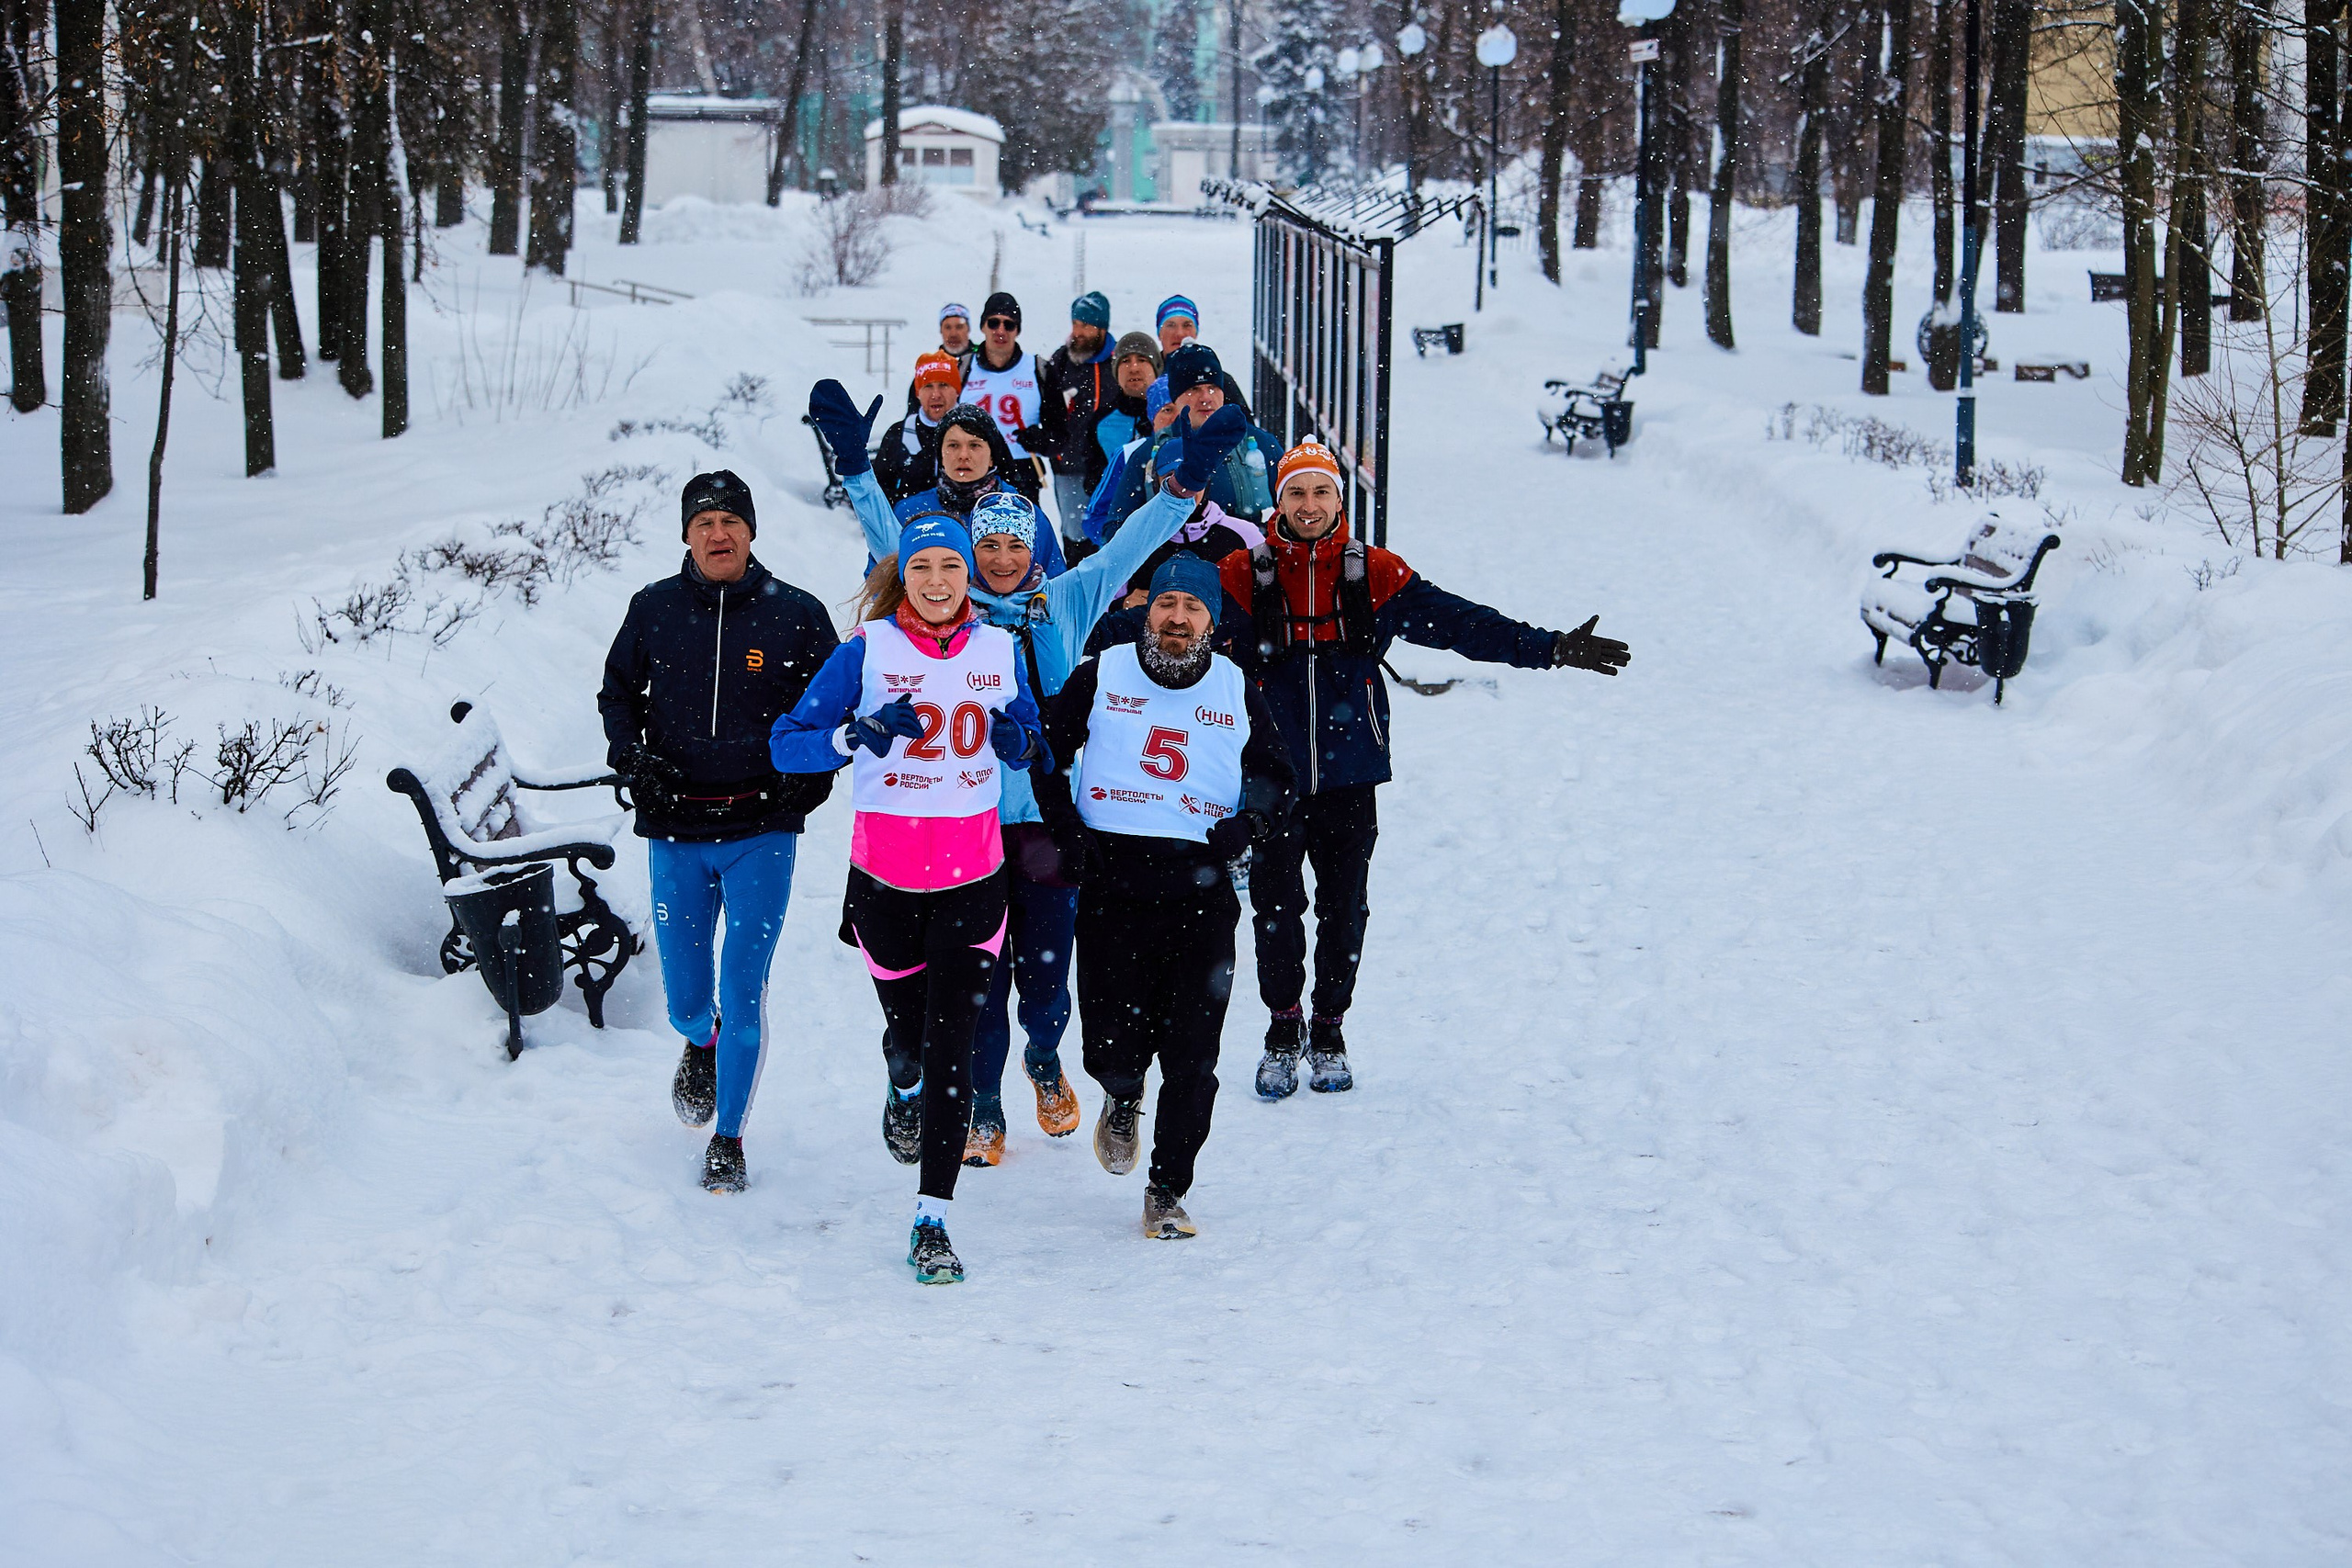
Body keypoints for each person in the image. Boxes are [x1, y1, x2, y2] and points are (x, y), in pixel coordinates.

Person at [807, 378, 1252, 1166]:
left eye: (1017, 544)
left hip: (1046, 825)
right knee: (978, 992)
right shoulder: (950, 607)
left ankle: (1044, 1060)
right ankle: (984, 1107)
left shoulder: (1067, 600)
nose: (1003, 559)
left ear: (1036, 547)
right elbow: (889, 543)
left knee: (1046, 986)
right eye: (990, 546)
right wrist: (854, 470)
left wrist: (1181, 488)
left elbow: (1129, 546)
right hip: (963, 825)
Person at [1215, 438, 1632, 1100]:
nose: (1310, 504)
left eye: (1322, 491)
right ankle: (1280, 1024)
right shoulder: (1244, 573)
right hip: (1269, 773)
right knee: (1273, 907)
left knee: (1344, 908)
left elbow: (1462, 624)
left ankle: (1328, 1027)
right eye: (1297, 492)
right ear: (1279, 502)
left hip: (1351, 773)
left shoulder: (1373, 573)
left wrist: (1549, 647)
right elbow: (1175, 625)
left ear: (1339, 501)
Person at [768, 513, 1048, 1285]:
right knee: (909, 1040)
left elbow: (1032, 733)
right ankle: (903, 1080)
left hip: (974, 880)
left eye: (949, 567)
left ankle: (933, 1217)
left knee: (954, 1041)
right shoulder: (866, 650)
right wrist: (852, 737)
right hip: (885, 885)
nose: (936, 581)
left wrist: (1022, 742)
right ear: (905, 575)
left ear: (968, 577)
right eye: (921, 566)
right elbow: (785, 743)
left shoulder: (1000, 647)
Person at [1038, 555, 1295, 1239]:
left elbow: (1276, 773)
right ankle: (1121, 1095)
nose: (1178, 619)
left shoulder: (1238, 687)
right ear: (1145, 610)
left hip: (1200, 888)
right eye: (1166, 604)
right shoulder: (1104, 671)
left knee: (1193, 1054)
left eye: (1193, 608)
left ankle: (1167, 1188)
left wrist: (1251, 821)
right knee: (1113, 1047)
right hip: (1113, 881)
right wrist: (1066, 831)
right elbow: (1047, 754)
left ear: (1212, 621)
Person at [597, 470, 839, 1194]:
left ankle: (729, 1137)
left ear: (752, 531)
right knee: (686, 997)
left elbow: (832, 706)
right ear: (686, 534)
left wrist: (811, 778)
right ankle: (697, 1038)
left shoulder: (796, 614)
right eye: (704, 522)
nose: (719, 533)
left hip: (761, 825)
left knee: (745, 983)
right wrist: (630, 754)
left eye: (732, 520)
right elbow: (617, 692)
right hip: (674, 826)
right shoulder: (653, 609)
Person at [1096, 344, 1282, 536]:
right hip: (1173, 561)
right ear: (1176, 398)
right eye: (1194, 389)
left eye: (1212, 388)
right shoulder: (1149, 453)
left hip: (1245, 560)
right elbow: (1115, 528)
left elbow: (1291, 512)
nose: (1205, 398)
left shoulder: (1260, 444)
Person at [958, 291, 1069, 478]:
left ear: (1017, 330)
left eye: (1009, 325)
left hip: (1022, 473)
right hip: (970, 471)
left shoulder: (1038, 369)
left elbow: (1060, 435)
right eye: (993, 323)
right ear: (983, 326)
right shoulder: (962, 368)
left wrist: (1040, 441)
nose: (1000, 331)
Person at [1044, 291, 1119, 556]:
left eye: (1086, 325)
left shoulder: (1119, 361)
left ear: (1101, 328)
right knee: (1075, 534)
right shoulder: (1061, 360)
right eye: (1076, 323)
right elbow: (1047, 410)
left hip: (1111, 466)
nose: (1079, 331)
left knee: (1110, 532)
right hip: (1070, 466)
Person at [875, 351, 964, 505]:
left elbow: (1003, 484)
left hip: (963, 526)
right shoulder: (898, 434)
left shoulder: (977, 429)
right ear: (918, 393)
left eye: (943, 385)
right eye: (928, 386)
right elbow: (878, 495)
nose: (936, 394)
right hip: (910, 525)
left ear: (957, 391)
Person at [904, 303, 976, 410]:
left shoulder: (984, 363)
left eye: (959, 327)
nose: (953, 334)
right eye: (948, 327)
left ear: (968, 329)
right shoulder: (928, 368)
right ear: (941, 330)